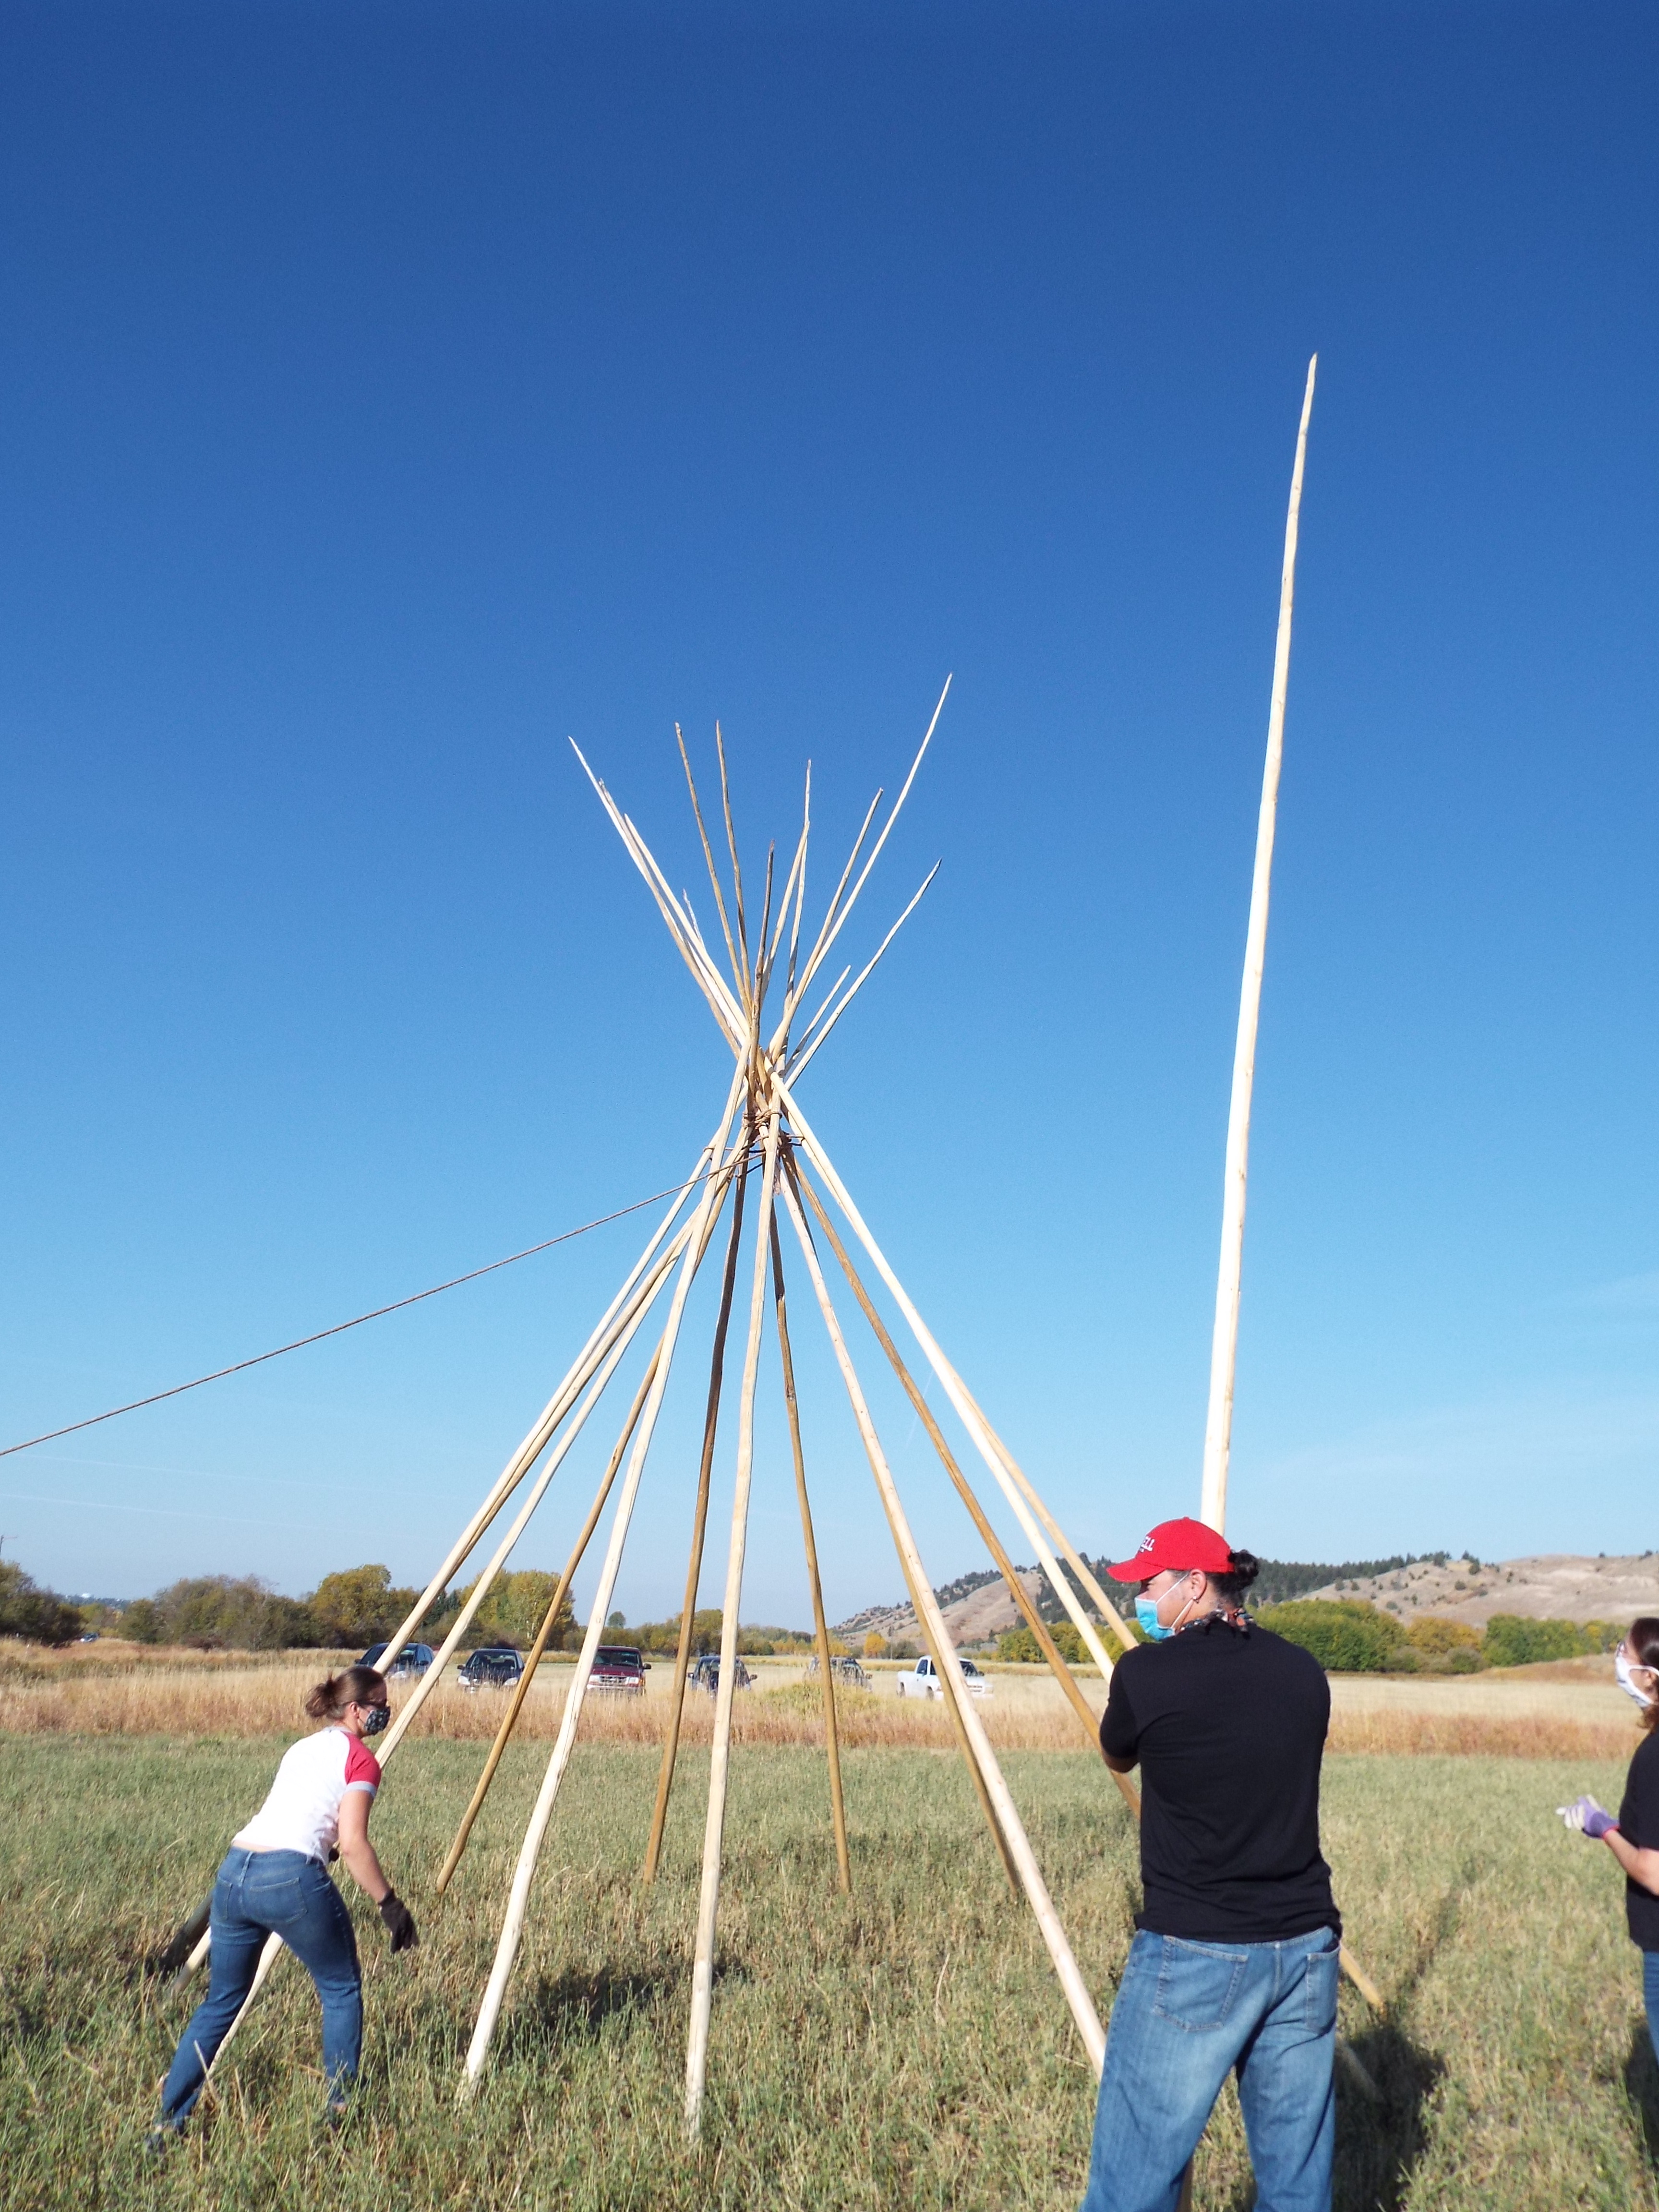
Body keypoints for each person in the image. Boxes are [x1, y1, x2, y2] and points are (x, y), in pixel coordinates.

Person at [1081, 1516, 1342, 2212]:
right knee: (1296, 2184)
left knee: (1133, 2180)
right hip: (1307, 1948)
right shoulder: (1302, 1671)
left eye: (1150, 1587)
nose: (1142, 1601)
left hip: (1197, 1950)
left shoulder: (1145, 1673)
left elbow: (1117, 1753)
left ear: (1196, 1584)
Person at [149, 1663, 418, 2143]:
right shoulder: (360, 1760)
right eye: (380, 1705)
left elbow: (304, 1811)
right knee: (340, 1987)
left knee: (221, 2001)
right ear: (356, 1710)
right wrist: (389, 1905)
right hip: (290, 1878)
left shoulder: (303, 1747)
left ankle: (167, 2124)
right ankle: (340, 2114)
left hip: (234, 1873)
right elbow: (353, 1844)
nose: (386, 1712)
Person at [1557, 1616, 1659, 2062]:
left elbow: (1654, 1874)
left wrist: (1605, 1829)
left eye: (1625, 1654)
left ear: (1650, 1677)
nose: (1617, 1661)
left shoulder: (1655, 1756)